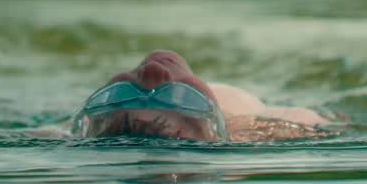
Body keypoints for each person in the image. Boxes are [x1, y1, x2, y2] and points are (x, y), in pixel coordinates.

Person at [72, 50, 330, 142]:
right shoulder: (252, 128)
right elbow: (326, 123)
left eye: (122, 97)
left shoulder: (68, 133)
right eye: (180, 99)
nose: (151, 71)